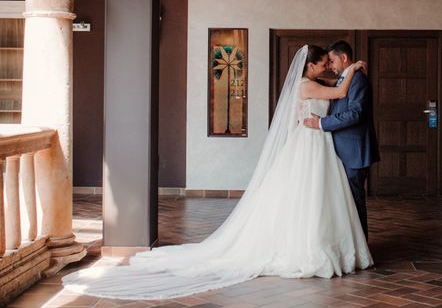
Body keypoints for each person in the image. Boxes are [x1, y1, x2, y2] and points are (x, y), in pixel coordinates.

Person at [62, 45, 373, 300]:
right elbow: (341, 92)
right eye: (322, 65)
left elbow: (335, 88)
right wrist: (354, 67)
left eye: (329, 65)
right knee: (306, 197)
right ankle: (308, 246)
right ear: (309, 68)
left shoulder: (314, 84)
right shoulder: (308, 86)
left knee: (315, 198)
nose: (326, 69)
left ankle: (324, 241)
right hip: (309, 144)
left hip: (315, 145)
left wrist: (345, 73)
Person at [303, 40, 380, 239]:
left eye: (331, 61)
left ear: (343, 58)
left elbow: (356, 114)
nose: (329, 66)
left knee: (354, 201)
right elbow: (335, 91)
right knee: (344, 203)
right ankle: (350, 244)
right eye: (326, 63)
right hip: (339, 149)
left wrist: (322, 123)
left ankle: (362, 246)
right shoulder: (343, 79)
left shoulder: (358, 80)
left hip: (354, 151)